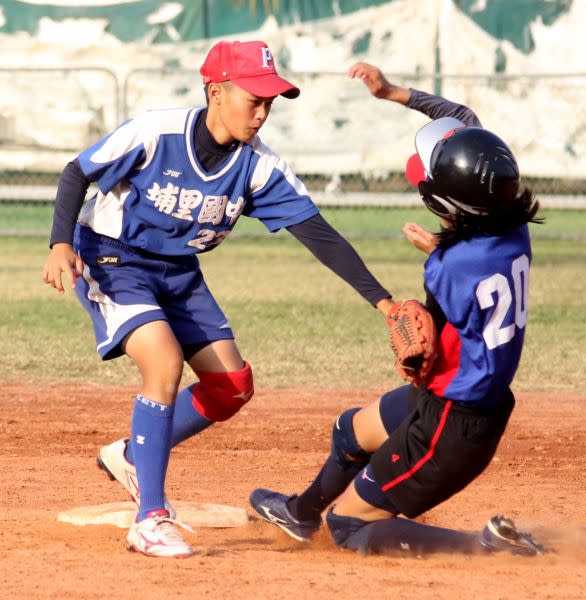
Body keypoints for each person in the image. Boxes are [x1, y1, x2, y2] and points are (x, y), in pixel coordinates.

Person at [41, 44, 395, 558]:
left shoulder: (257, 168)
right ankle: (150, 520)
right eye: (254, 99)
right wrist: (60, 245)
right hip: (111, 257)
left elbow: (321, 236)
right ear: (216, 91)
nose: (262, 112)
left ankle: (133, 456)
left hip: (180, 272)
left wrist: (383, 303)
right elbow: (78, 171)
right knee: (163, 362)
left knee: (231, 386)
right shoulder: (157, 132)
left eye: (270, 102)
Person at [249, 62, 548, 557]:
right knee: (352, 429)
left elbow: (430, 338)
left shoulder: (447, 267)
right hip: (453, 399)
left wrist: (435, 259)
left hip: (454, 423)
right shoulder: (510, 220)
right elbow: (461, 118)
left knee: (349, 527)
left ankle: (485, 546)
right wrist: (392, 93)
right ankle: (300, 515)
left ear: (446, 203)